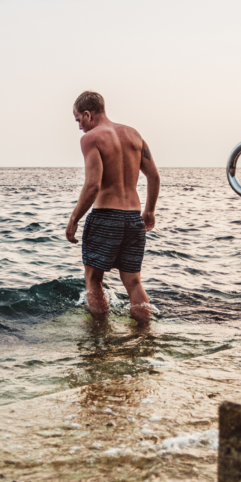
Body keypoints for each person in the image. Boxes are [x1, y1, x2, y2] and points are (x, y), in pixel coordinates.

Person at [65, 91, 160, 327]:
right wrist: (149, 211)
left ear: (88, 114)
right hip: (133, 219)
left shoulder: (91, 138)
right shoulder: (134, 135)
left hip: (106, 217)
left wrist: (74, 218)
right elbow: (154, 176)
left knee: (93, 280)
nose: (79, 127)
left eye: (79, 120)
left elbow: (93, 185)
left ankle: (99, 337)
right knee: (134, 283)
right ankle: (143, 335)